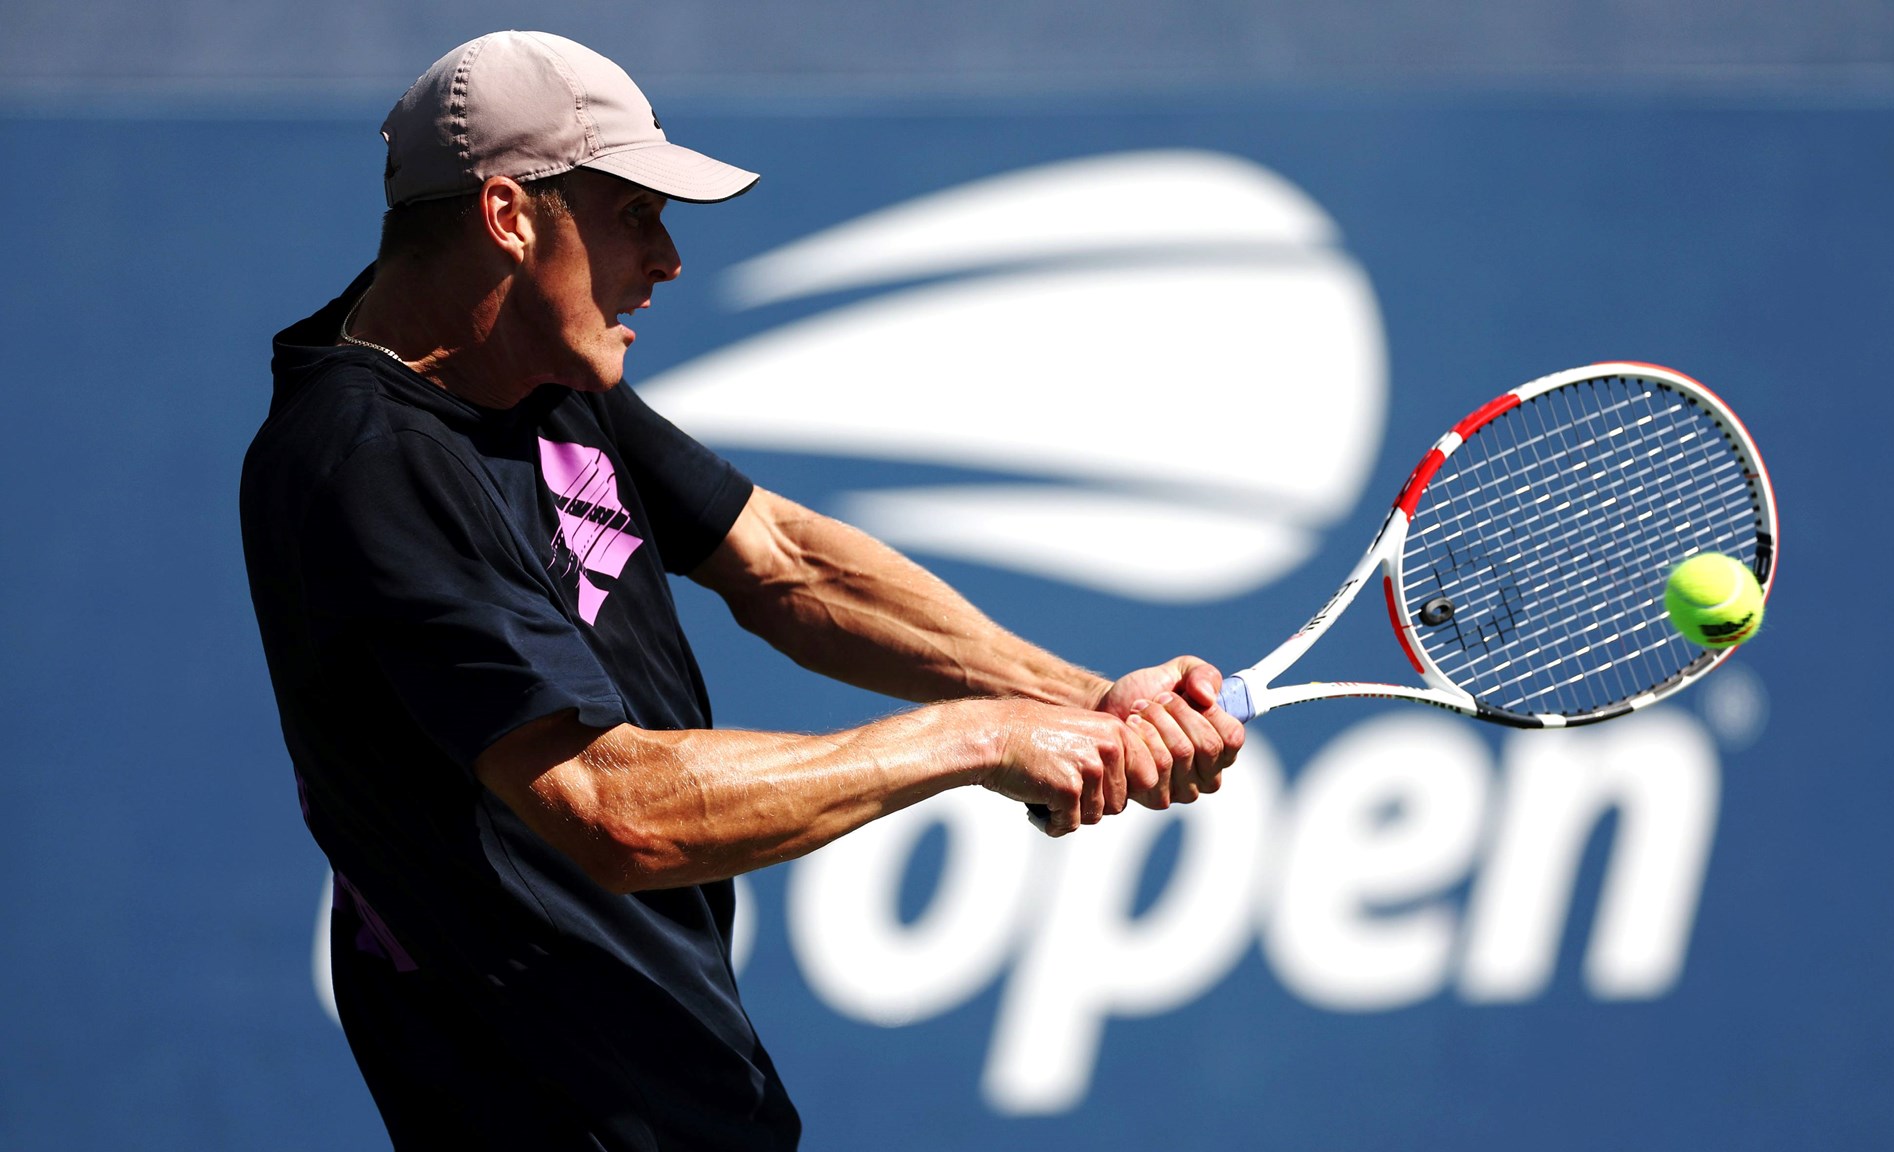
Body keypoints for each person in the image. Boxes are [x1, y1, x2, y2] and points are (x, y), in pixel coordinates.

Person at [240, 30, 1244, 1151]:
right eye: (632, 214)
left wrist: (1086, 700)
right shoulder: (369, 462)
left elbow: (784, 562)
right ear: (509, 218)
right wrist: (979, 737)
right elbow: (615, 808)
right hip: (546, 1111)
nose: (666, 260)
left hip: (678, 1087)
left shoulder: (528, 366)